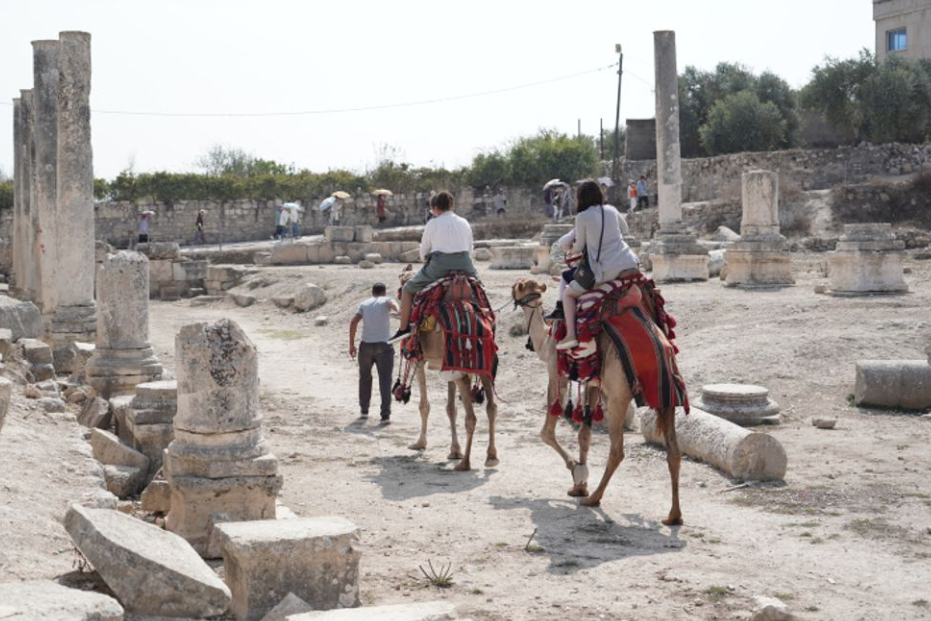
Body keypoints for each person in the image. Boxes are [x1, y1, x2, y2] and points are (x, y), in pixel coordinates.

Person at [554, 180, 640, 351]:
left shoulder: (582, 217)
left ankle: (571, 335)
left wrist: (569, 249)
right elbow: (625, 230)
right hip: (630, 262)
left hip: (606, 270)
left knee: (568, 294)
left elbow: (579, 247)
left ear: (580, 198)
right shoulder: (612, 209)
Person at [389, 191, 477, 342]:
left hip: (440, 265)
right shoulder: (464, 222)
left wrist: (426, 261)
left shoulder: (433, 223)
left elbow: (424, 249)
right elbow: (470, 248)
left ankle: (404, 329)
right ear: (451, 205)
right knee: (478, 288)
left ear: (435, 208)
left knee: (407, 289)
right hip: (465, 264)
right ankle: (486, 318)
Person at [349, 283, 399, 422]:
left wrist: (351, 344)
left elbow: (353, 322)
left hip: (365, 346)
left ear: (372, 292)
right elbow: (393, 305)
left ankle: (364, 411)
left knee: (364, 378)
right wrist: (397, 310)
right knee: (385, 380)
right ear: (384, 292)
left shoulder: (364, 304)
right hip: (384, 346)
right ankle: (385, 415)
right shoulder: (387, 299)